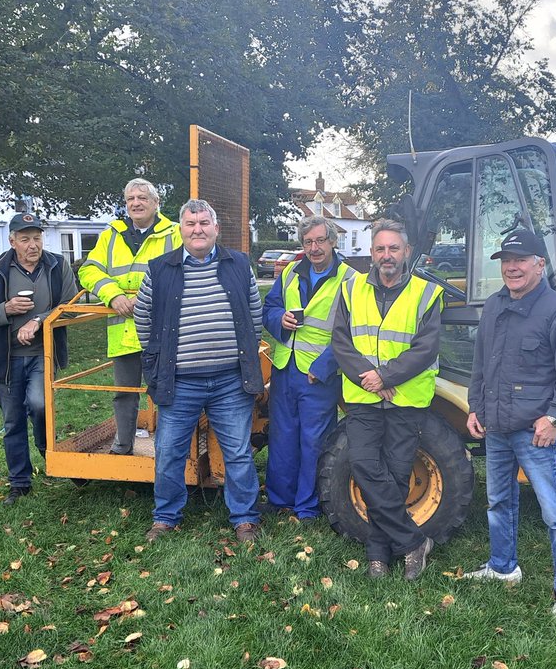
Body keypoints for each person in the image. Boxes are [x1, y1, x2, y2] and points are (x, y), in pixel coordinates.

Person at [461, 228, 556, 618]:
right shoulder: (495, 306)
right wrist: (475, 407)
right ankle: (503, 567)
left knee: (554, 512)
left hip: (535, 432)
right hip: (495, 426)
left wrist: (554, 418)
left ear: (540, 265)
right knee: (498, 502)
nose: (512, 267)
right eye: (506, 261)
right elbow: (480, 364)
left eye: (521, 260)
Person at [132, 199, 264, 543]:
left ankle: (245, 519)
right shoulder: (160, 269)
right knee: (169, 451)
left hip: (230, 381)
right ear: (181, 230)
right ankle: (166, 517)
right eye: (190, 224)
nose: (198, 229)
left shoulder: (238, 264)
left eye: (204, 222)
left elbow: (254, 316)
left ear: (216, 228)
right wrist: (155, 358)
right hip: (180, 382)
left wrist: (245, 357)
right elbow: (143, 318)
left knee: (237, 451)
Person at [331, 218, 443, 580]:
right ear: (372, 253)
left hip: (406, 399)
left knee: (395, 477)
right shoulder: (351, 290)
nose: (386, 255)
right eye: (380, 248)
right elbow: (341, 342)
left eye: (394, 248)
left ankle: (378, 554)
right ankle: (413, 543)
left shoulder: (426, 293)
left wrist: (387, 376)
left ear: (407, 251)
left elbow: (425, 348)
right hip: (364, 399)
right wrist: (373, 380)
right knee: (364, 467)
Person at [0, 213, 79, 504]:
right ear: (12, 242)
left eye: (37, 238)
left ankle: (49, 453)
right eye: (25, 239)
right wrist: (5, 309)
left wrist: (39, 321)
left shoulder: (58, 265)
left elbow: (69, 307)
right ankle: (20, 482)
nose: (33, 245)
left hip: (43, 354)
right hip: (6, 360)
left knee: (39, 404)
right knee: (13, 421)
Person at [77, 179, 182, 454]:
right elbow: (89, 270)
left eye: (142, 198)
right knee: (124, 394)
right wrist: (114, 295)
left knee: (168, 392)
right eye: (130, 199)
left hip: (164, 332)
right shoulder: (111, 234)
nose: (135, 203)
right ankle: (122, 447)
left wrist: (144, 296)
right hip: (123, 332)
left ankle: (170, 449)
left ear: (156, 203)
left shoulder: (175, 233)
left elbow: (185, 272)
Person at [262, 217, 356, 520]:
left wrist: (325, 366)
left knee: (314, 440)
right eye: (307, 242)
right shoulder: (290, 271)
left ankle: (308, 506)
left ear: (332, 242)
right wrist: (280, 320)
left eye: (319, 241)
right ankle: (280, 501)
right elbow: (269, 308)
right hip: (285, 368)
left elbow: (354, 331)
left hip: (319, 374)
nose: (314, 248)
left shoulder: (350, 279)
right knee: (282, 436)